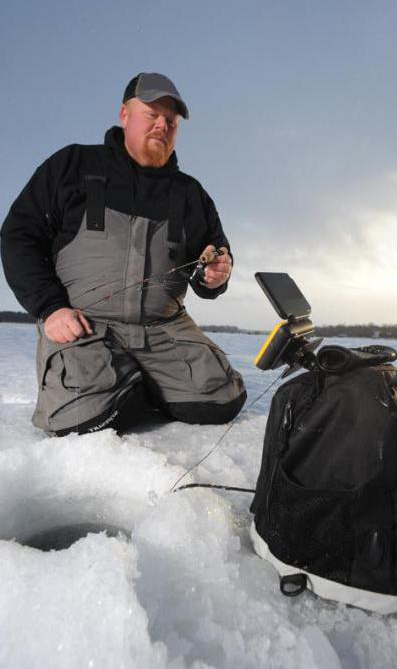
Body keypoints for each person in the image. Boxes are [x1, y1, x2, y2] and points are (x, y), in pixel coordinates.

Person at [1, 72, 246, 436]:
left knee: (220, 402)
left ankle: (136, 379)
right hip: (83, 323)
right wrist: (50, 308)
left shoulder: (191, 193)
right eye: (152, 113)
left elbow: (214, 258)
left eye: (171, 120)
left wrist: (215, 276)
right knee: (87, 422)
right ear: (125, 114)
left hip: (164, 329)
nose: (162, 124)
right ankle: (120, 385)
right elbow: (18, 236)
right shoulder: (71, 165)